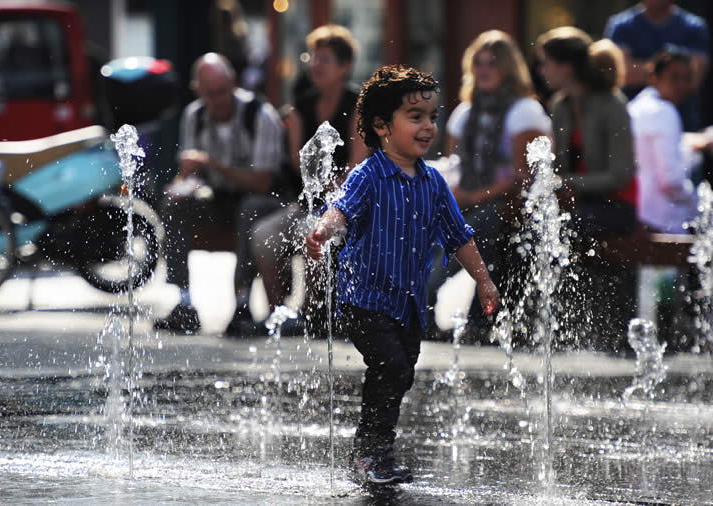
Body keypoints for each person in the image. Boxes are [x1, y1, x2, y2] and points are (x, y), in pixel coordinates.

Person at [305, 65, 499, 484]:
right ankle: (369, 453)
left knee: (400, 373)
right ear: (381, 126)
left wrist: (483, 279)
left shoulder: (433, 182)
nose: (428, 126)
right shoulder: (370, 174)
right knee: (391, 367)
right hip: (365, 299)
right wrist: (323, 229)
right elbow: (341, 208)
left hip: (409, 305)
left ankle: (376, 451)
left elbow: (458, 236)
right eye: (415, 117)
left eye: (432, 116)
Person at [427, 30, 551, 339]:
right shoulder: (464, 113)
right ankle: (417, 309)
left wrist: (473, 196)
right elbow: (453, 166)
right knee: (426, 229)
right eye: (478, 63)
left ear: (508, 68)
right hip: (468, 200)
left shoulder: (525, 111)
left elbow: (524, 179)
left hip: (507, 206)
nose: (483, 71)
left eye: (492, 64)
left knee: (459, 235)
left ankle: (427, 300)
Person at [245, 24, 368, 334]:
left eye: (324, 58)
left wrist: (329, 186)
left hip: (347, 205)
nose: (314, 64)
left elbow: (357, 165)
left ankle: (317, 313)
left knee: (311, 231)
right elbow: (300, 166)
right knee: (262, 234)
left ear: (344, 66)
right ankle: (281, 315)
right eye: (312, 57)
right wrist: (295, 133)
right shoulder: (302, 105)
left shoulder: (358, 106)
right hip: (308, 203)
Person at [153, 53, 284, 333]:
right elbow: (193, 175)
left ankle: (242, 303)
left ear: (233, 83)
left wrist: (215, 165)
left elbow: (262, 182)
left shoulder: (260, 115)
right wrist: (182, 185)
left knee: (249, 210)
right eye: (210, 93)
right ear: (198, 90)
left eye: (223, 91)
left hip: (262, 202)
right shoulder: (194, 116)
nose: (218, 100)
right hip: (217, 199)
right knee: (175, 206)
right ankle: (184, 303)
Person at [538, 28, 637, 351]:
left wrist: (568, 185)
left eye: (546, 64)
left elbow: (621, 174)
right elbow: (559, 168)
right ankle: (540, 328)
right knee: (531, 227)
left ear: (567, 67)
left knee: (568, 228)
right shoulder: (561, 105)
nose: (542, 71)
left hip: (617, 206)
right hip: (580, 204)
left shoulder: (612, 104)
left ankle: (590, 328)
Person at [605, 0, 709, 131]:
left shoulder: (694, 27)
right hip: (632, 129)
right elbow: (623, 73)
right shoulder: (621, 25)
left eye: (677, 77)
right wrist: (671, 71)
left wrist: (639, 67)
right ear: (653, 77)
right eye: (658, 75)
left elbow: (695, 77)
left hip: (684, 127)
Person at [629, 47, 699, 233]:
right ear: (654, 77)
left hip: (638, 215)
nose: (681, 85)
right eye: (674, 77)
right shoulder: (665, 111)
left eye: (686, 78)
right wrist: (696, 200)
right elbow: (671, 180)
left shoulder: (636, 107)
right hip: (661, 222)